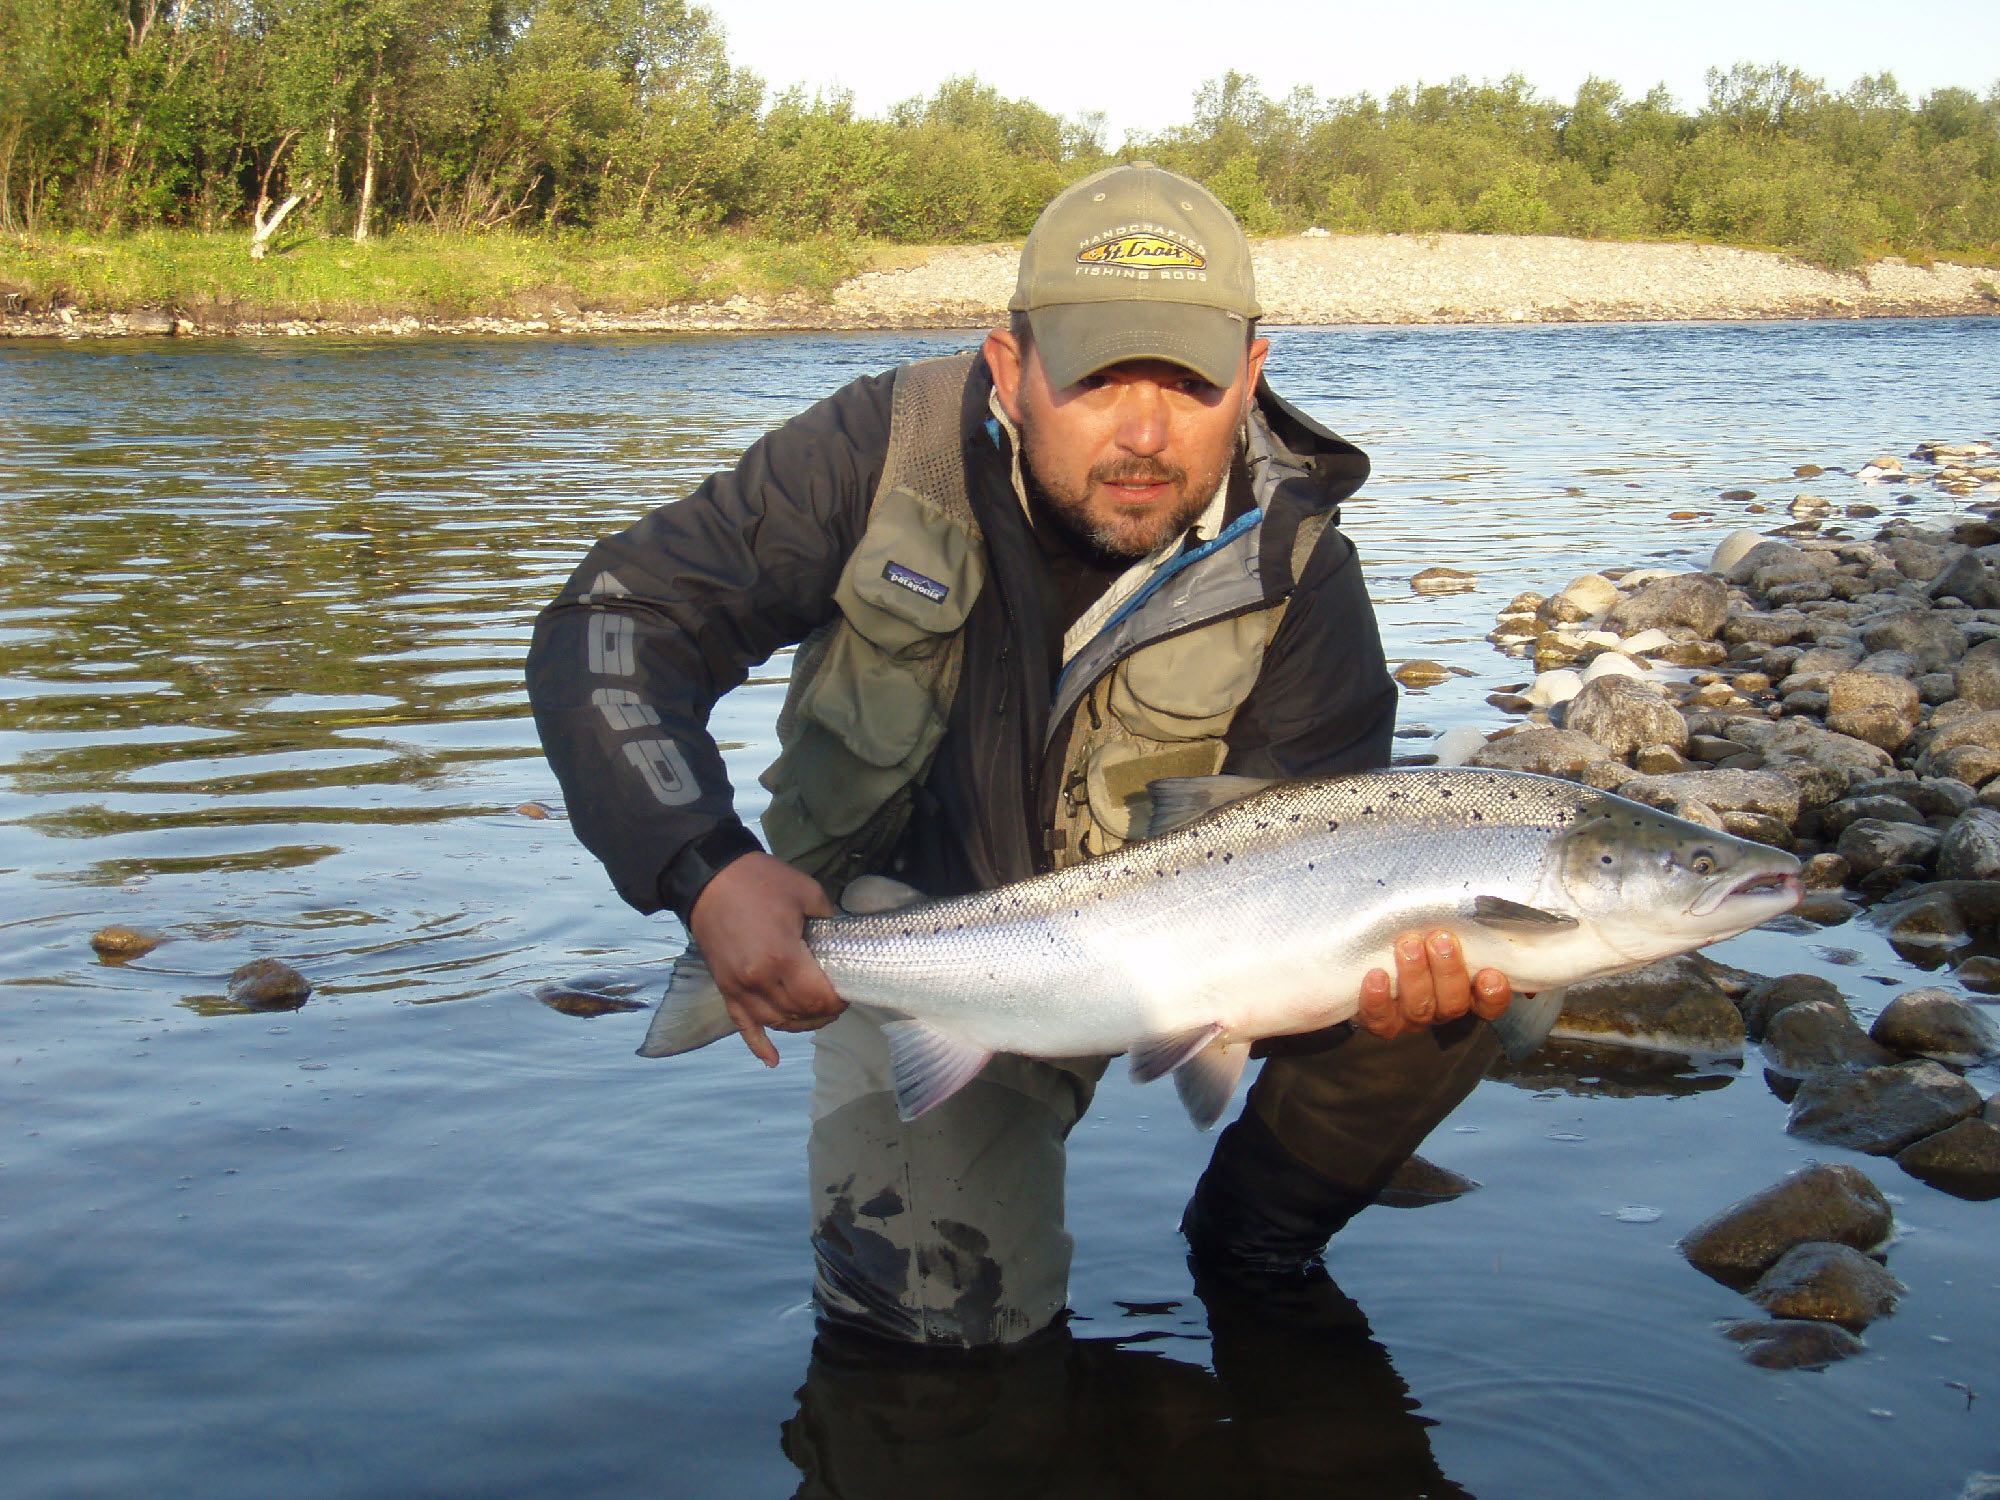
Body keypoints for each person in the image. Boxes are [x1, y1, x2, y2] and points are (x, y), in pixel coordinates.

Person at [526, 162, 1513, 1348]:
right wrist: (703, 867)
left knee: (1500, 955)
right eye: (1098, 379)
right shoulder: (881, 457)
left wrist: (1396, 999)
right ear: (1010, 366)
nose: (1143, 436)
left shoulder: (1298, 572)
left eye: (1189, 386)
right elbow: (613, 624)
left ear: (1251, 375)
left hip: (1195, 951)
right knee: (935, 1342)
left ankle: (1256, 1247)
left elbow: (1312, 879)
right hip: (920, 945)